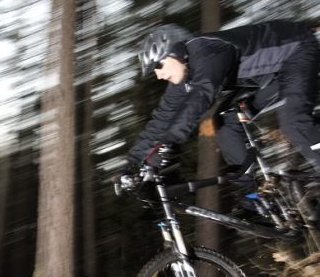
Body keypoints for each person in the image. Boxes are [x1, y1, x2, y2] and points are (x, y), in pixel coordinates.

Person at [123, 20, 320, 178]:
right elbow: (161, 120)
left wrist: (168, 142)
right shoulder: (184, 78)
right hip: (274, 76)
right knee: (226, 122)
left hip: (298, 50)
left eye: (158, 66)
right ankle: (253, 201)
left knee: (294, 121)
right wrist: (131, 164)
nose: (159, 75)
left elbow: (201, 96)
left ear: (175, 52)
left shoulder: (205, 50)